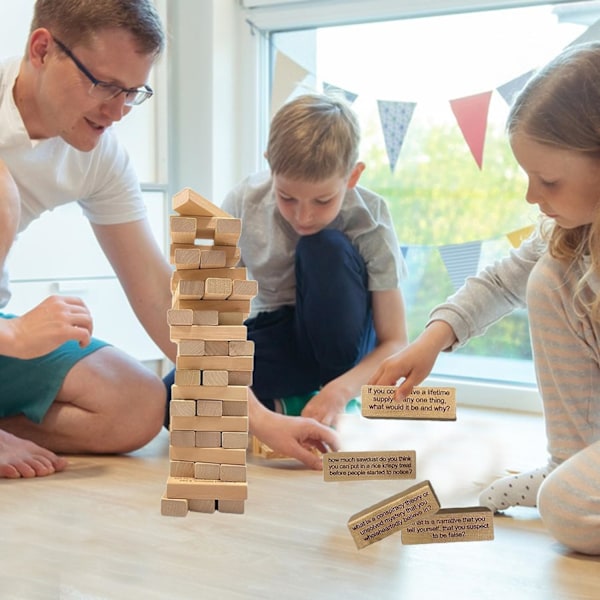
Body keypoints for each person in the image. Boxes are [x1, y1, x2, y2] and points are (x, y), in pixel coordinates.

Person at [0, 0, 338, 477]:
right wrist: (11, 334)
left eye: (133, 93)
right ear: (42, 50)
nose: (117, 111)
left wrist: (259, 419)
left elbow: (162, 297)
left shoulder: (100, 155)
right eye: (104, 85)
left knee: (140, 406)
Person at [370, 42, 600, 555]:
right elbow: (499, 282)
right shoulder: (573, 235)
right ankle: (568, 463)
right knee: (545, 274)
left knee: (565, 509)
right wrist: (430, 341)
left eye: (548, 180)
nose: (530, 196)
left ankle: (567, 481)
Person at [190, 93, 407, 460]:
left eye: (322, 201)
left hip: (346, 346)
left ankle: (324, 399)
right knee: (177, 394)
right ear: (270, 168)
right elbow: (208, 316)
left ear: (353, 175)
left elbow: (395, 341)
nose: (303, 216)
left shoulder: (370, 217)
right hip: (280, 331)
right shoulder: (244, 202)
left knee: (322, 247)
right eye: (287, 197)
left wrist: (339, 390)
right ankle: (290, 403)